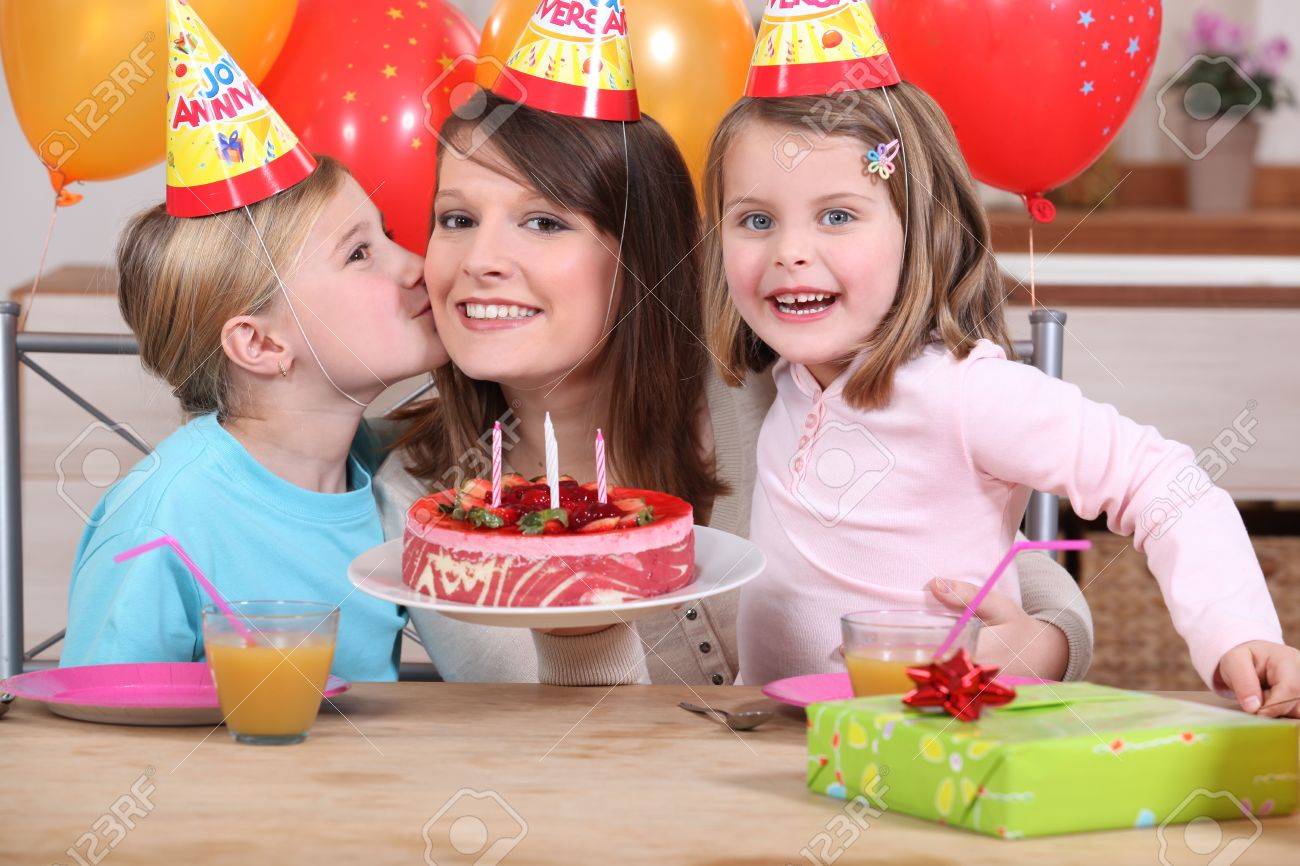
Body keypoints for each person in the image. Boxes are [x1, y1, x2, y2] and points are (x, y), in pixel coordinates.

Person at [373, 1, 1094, 687]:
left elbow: (1006, 573)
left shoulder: (774, 400)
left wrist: (1044, 642)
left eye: (543, 223)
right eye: (456, 219)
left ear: (640, 258)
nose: (479, 261)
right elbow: (550, 725)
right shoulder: (428, 495)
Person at [701, 2, 1297, 714]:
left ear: (918, 231)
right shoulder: (783, 383)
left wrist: (1238, 632)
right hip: (779, 755)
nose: (789, 252)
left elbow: (1160, 479)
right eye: (755, 220)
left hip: (937, 748)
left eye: (837, 215)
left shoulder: (967, 393)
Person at [63, 6, 446, 681]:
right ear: (260, 345)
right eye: (361, 253)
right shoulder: (163, 517)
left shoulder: (393, 475)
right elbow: (93, 736)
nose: (415, 264)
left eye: (386, 233)